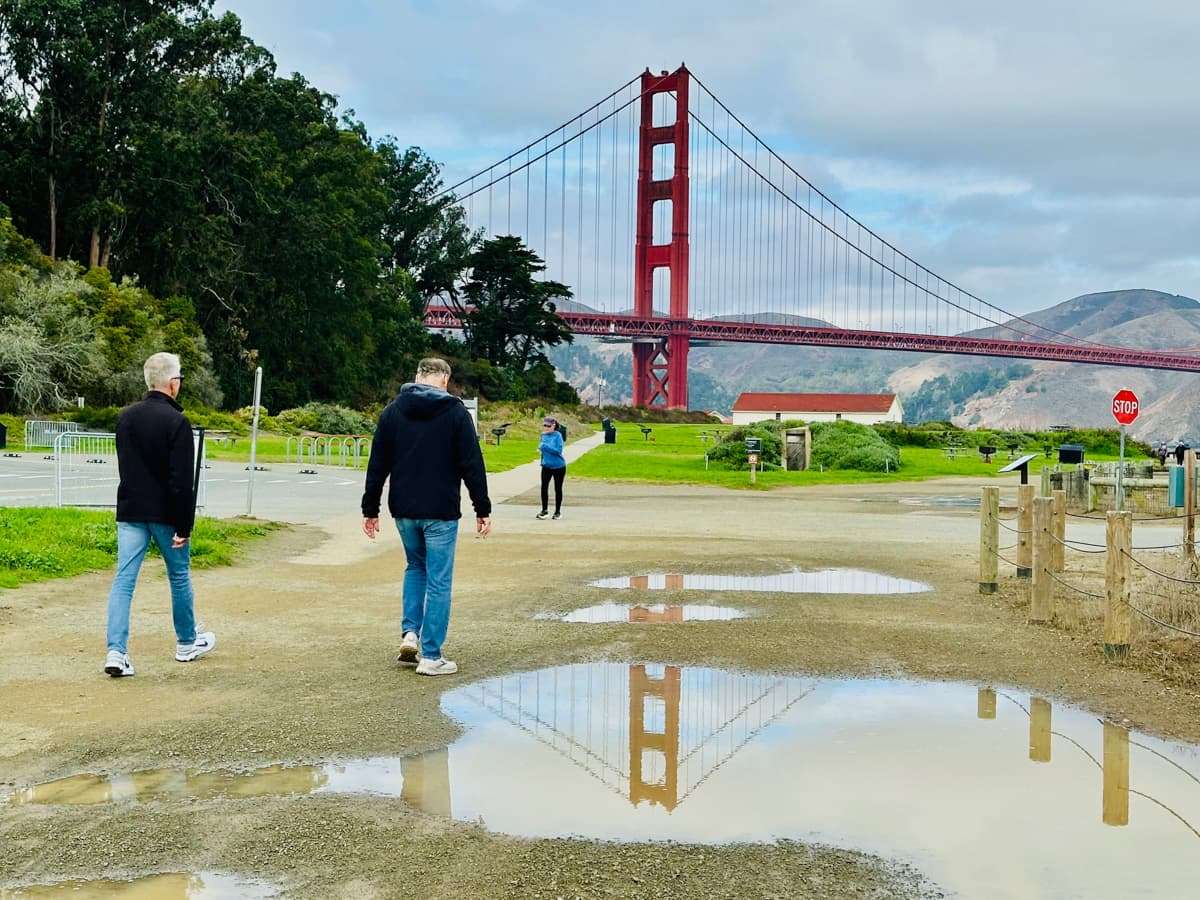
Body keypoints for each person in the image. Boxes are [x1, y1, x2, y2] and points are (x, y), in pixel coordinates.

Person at [361, 357, 492, 676]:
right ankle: (431, 656)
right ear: (445, 380)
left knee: (415, 566)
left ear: (417, 377)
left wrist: (370, 508)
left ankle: (410, 634)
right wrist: (482, 507)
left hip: (404, 509)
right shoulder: (456, 413)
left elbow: (378, 461)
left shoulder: (393, 411)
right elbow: (471, 463)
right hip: (441, 510)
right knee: (439, 580)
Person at [103, 352, 215, 678]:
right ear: (171, 382)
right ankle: (186, 643)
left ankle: (116, 650)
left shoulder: (125, 418)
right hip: (166, 514)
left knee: (123, 581)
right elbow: (181, 481)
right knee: (178, 576)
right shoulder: (177, 422)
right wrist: (185, 525)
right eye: (179, 377)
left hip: (131, 510)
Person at [537, 416, 567, 520]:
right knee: (543, 488)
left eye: (548, 426)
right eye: (544, 425)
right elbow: (542, 451)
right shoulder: (543, 435)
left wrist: (544, 447)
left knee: (557, 489)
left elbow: (558, 450)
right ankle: (544, 510)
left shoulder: (558, 436)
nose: (546, 428)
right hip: (546, 466)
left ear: (553, 426)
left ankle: (557, 512)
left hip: (559, 466)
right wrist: (542, 461)